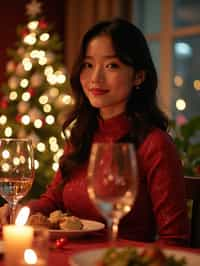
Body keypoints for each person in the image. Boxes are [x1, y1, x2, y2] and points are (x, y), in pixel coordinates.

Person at [0, 18, 190, 246]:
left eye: (111, 65)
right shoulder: (81, 136)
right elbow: (52, 200)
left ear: (139, 76)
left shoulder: (155, 144)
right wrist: (21, 210)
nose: (95, 78)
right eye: (88, 65)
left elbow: (174, 240)